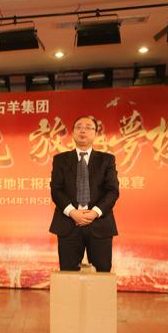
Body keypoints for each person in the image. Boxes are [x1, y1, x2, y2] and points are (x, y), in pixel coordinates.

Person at [49, 115, 119, 272]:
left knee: (102, 274)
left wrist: (94, 213)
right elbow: (56, 189)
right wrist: (72, 212)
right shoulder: (60, 159)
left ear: (95, 134)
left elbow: (112, 190)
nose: (83, 130)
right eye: (79, 127)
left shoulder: (107, 160)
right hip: (69, 224)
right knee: (68, 274)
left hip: (99, 224)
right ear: (73, 133)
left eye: (88, 127)